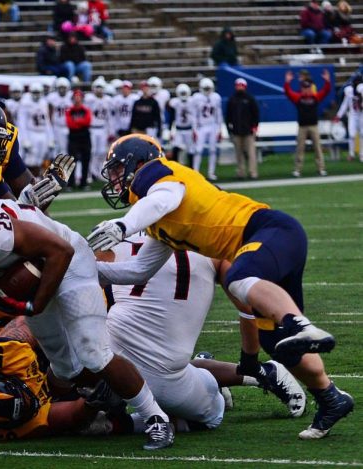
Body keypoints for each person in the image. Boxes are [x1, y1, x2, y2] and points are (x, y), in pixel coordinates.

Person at [87, 134, 355, 441]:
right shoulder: (158, 224)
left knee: (238, 279)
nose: (115, 180)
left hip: (268, 231)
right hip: (267, 244)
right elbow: (138, 271)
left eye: (119, 170)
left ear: (138, 162)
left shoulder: (161, 174)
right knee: (275, 338)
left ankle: (301, 325)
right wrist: (86, 269)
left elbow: (164, 197)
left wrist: (122, 226)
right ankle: (330, 397)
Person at [0, 200, 176, 451]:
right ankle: (105, 400)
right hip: (26, 275)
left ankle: (156, 417)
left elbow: (60, 250)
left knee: (93, 351)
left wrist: (33, 306)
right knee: (65, 368)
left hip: (66, 260)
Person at [100, 232, 306, 432]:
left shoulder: (114, 237)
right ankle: (250, 373)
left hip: (135, 363)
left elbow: (89, 295)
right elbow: (249, 310)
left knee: (211, 414)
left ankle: (260, 374)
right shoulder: (211, 243)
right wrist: (250, 360)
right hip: (139, 357)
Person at [284, 69, 331, 177]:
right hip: (302, 127)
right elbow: (288, 93)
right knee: (300, 148)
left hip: (313, 126)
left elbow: (326, 91)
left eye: (308, 87)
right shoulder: (298, 98)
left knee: (318, 148)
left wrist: (327, 81)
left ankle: (321, 168)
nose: (306, 90)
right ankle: (297, 169)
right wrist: (287, 82)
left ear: (311, 88)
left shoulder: (315, 97)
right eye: (304, 88)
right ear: (302, 88)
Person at [225, 78, 260, 180]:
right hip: (236, 130)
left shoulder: (250, 99)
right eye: (238, 85)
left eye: (241, 85)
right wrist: (229, 129)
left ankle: (253, 172)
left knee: (251, 152)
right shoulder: (232, 99)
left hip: (248, 130)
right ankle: (241, 172)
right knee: (238, 153)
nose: (239, 87)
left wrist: (255, 127)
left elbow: (256, 113)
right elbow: (228, 116)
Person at [17, 83, 54, 176]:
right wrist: (24, 139)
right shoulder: (25, 103)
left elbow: (47, 122)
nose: (37, 95)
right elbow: (22, 123)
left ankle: (37, 179)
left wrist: (50, 138)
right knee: (30, 159)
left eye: (38, 92)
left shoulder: (43, 102)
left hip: (43, 133)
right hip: (31, 133)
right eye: (35, 92)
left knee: (40, 159)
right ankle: (29, 180)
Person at [190, 78, 222, 180]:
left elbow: (218, 114)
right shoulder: (196, 97)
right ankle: (195, 172)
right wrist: (194, 129)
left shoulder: (216, 97)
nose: (207, 90)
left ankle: (211, 172)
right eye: (206, 88)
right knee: (198, 150)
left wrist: (219, 129)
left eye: (209, 88)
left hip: (212, 126)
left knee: (213, 150)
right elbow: (194, 115)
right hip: (201, 126)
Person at [84, 78, 113, 181]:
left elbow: (109, 116)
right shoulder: (89, 99)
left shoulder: (108, 100)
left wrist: (111, 130)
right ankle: (90, 173)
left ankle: (99, 172)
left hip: (103, 128)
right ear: (93, 88)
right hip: (92, 128)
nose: (99, 90)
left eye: (101, 88)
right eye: (97, 87)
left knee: (101, 152)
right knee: (92, 151)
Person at [333, 75, 363, 162]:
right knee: (352, 135)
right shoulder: (349, 91)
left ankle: (362, 154)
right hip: (353, 114)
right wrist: (339, 115)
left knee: (362, 134)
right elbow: (345, 104)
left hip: (362, 114)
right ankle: (351, 154)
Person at [67, 89, 92, 189]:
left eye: (79, 97)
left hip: (84, 136)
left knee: (86, 159)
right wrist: (79, 122)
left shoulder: (86, 110)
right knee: (72, 160)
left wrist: (77, 122)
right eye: (75, 97)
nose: (77, 99)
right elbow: (70, 124)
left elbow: (87, 121)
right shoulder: (70, 110)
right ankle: (71, 183)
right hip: (74, 136)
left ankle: (83, 182)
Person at [168, 83, 196, 166]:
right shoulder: (175, 102)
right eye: (182, 93)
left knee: (191, 150)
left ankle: (192, 168)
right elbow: (172, 117)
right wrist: (171, 131)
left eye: (184, 93)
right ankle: (175, 167)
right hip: (179, 129)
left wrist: (195, 130)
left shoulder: (192, 101)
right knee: (175, 148)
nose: (183, 95)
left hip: (189, 129)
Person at [45, 77, 72, 160]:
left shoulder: (71, 97)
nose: (62, 90)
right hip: (56, 126)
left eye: (64, 88)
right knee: (55, 148)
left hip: (68, 127)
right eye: (60, 88)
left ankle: (64, 169)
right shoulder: (52, 97)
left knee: (66, 149)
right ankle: (55, 169)